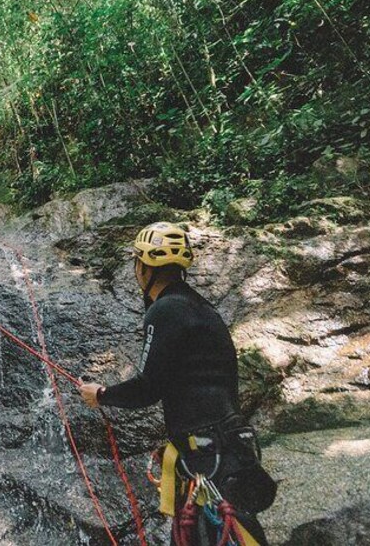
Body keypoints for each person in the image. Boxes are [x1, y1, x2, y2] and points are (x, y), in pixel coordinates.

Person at [78, 222, 276, 546]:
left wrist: (101, 394)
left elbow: (148, 387)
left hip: (205, 454)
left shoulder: (165, 310)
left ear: (142, 267)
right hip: (227, 446)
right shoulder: (202, 309)